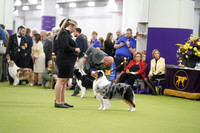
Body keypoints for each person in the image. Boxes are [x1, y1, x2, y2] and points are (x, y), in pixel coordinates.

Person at [54, 19, 80, 108]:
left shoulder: (67, 34)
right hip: (63, 60)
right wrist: (75, 49)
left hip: (67, 60)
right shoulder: (63, 33)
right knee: (61, 80)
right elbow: (65, 47)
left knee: (64, 81)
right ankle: (57, 102)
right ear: (70, 26)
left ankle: (62, 101)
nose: (75, 30)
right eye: (75, 28)